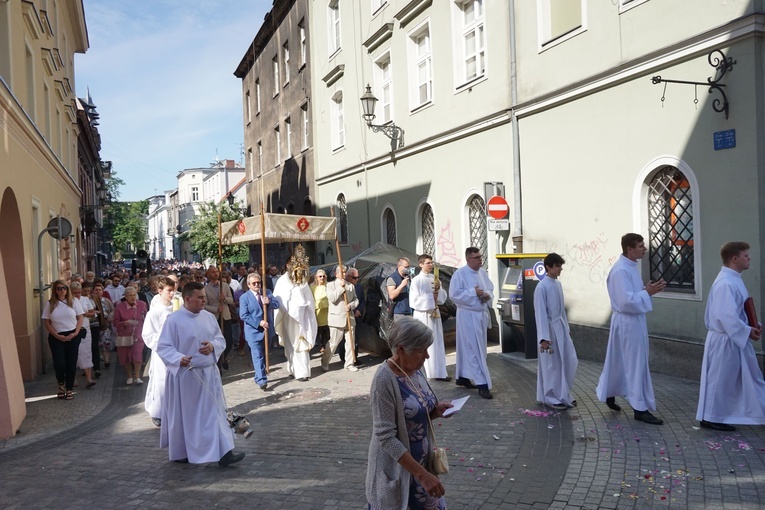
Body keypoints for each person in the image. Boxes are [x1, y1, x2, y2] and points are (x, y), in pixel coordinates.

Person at [366, 317, 453, 509]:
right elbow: (386, 436)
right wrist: (421, 474)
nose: (427, 356)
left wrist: (434, 412)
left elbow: (413, 413)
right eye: (422, 350)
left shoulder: (415, 370)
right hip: (401, 470)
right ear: (402, 350)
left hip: (423, 468)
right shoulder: (384, 380)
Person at [157, 282, 245, 467]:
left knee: (216, 414)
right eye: (200, 297)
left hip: (209, 373)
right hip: (186, 377)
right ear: (187, 299)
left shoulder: (208, 317)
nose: (204, 300)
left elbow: (219, 338)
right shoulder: (174, 320)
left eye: (204, 296)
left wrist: (213, 346)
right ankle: (182, 451)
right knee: (187, 417)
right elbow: (164, 347)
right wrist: (178, 358)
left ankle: (224, 453)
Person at [596, 233, 667, 425]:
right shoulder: (620, 271)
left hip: (632, 321)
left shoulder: (630, 268)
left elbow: (632, 295)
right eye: (640, 246)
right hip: (627, 322)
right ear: (629, 248)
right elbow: (625, 301)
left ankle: (610, 392)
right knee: (636, 364)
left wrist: (647, 290)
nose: (644, 249)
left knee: (619, 361)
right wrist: (647, 292)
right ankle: (639, 408)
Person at [696, 242, 765, 431]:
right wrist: (747, 330)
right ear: (734, 259)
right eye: (745, 255)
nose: (749, 258)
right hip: (724, 339)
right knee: (720, 379)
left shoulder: (734, 279)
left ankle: (721, 414)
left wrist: (753, 324)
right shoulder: (725, 283)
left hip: (733, 338)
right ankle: (711, 416)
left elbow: (740, 310)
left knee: (748, 377)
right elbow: (725, 315)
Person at [533, 253, 578, 410]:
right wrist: (544, 338)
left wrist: (567, 328)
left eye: (561, 266)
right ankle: (551, 397)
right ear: (548, 267)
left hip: (561, 328)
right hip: (550, 331)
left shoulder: (557, 284)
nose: (560, 269)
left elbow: (561, 310)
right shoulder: (542, 287)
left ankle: (563, 393)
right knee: (551, 365)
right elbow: (540, 314)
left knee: (569, 360)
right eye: (557, 266)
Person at [449, 247, 494, 399]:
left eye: (480, 256)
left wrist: (487, 295)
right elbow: (454, 295)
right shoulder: (459, 274)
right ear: (468, 259)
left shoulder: (482, 273)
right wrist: (473, 292)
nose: (480, 259)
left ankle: (462, 376)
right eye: (476, 257)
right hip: (467, 315)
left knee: (473, 348)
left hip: (480, 315)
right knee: (473, 348)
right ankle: (482, 384)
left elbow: (490, 288)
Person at [273, 245, 317, 381]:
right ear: (287, 265)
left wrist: (307, 309)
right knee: (290, 344)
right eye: (292, 264)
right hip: (288, 317)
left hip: (302, 318)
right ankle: (293, 369)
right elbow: (278, 299)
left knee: (301, 343)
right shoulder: (282, 281)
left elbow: (310, 299)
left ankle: (303, 372)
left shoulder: (303, 281)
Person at [42, 280, 85, 400]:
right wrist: (56, 335)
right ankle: (61, 385)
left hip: (72, 335)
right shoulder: (50, 303)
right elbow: (47, 321)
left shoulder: (74, 301)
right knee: (60, 363)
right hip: (56, 336)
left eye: (64, 288)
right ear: (55, 290)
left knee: (71, 363)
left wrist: (76, 332)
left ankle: (69, 388)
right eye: (59, 288)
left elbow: (80, 317)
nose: (62, 290)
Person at [409, 254, 450, 381]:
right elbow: (414, 301)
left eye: (432, 263)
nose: (431, 265)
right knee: (426, 343)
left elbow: (442, 298)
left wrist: (439, 291)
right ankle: (428, 372)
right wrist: (431, 298)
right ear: (421, 264)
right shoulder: (417, 280)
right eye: (428, 263)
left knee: (437, 342)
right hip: (423, 314)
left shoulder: (435, 278)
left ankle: (440, 372)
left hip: (435, 314)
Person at [143, 277, 176, 427]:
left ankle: (175, 410)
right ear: (160, 291)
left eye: (173, 289)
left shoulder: (178, 310)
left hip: (177, 352)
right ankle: (158, 412)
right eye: (169, 290)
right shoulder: (154, 312)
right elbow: (148, 335)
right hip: (162, 353)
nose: (172, 293)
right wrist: (164, 341)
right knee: (161, 382)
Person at [240, 273, 280, 390]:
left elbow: (277, 304)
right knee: (257, 356)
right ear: (248, 285)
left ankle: (258, 376)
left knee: (264, 354)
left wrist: (269, 302)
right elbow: (244, 315)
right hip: (253, 332)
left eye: (258, 282)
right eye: (254, 283)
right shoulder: (245, 298)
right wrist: (259, 322)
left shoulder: (266, 292)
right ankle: (262, 380)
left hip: (267, 331)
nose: (257, 285)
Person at [321, 265, 359, 373]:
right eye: (342, 272)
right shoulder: (330, 285)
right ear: (336, 274)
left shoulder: (351, 286)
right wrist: (340, 287)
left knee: (350, 342)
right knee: (333, 343)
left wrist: (351, 306)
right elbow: (332, 298)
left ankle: (349, 363)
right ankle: (325, 361)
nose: (344, 274)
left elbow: (356, 300)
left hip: (349, 317)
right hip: (336, 318)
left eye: (345, 272)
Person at [113, 287, 148, 386]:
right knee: (125, 357)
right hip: (124, 336)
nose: (133, 298)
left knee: (137, 355)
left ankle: (137, 377)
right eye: (130, 295)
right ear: (126, 297)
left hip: (138, 334)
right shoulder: (119, 307)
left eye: (134, 295)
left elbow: (146, 317)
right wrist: (124, 323)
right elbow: (115, 323)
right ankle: (129, 376)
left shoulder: (142, 304)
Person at [203, 266, 235, 371]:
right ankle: (218, 363)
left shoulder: (225, 286)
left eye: (217, 272)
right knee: (216, 341)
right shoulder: (205, 289)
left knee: (228, 340)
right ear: (208, 274)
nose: (215, 274)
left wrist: (224, 298)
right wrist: (216, 309)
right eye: (213, 272)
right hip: (214, 318)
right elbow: (204, 305)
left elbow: (231, 300)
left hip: (225, 317)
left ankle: (223, 357)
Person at [70, 282, 97, 389]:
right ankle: (72, 377)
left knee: (86, 352)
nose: (78, 295)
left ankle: (88, 378)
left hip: (85, 328)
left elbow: (93, 313)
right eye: (75, 293)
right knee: (74, 353)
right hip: (72, 328)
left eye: (79, 292)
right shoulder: (68, 301)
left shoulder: (85, 300)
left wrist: (83, 314)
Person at [338, 267, 364, 365]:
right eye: (354, 277)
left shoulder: (359, 287)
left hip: (357, 315)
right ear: (348, 277)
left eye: (358, 277)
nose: (356, 280)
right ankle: (344, 356)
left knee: (355, 339)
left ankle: (354, 357)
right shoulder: (343, 286)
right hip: (345, 316)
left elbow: (362, 300)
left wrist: (358, 310)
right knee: (344, 339)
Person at [93, 281, 114, 370]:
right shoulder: (91, 301)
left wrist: (110, 316)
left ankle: (106, 360)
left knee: (106, 343)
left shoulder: (106, 301)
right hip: (94, 325)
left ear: (102, 291)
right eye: (96, 290)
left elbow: (113, 309)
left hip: (105, 325)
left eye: (100, 290)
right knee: (95, 344)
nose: (98, 292)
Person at [311, 269, 330, 353]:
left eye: (323, 276)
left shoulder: (328, 285)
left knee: (327, 329)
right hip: (317, 310)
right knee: (320, 329)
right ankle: (322, 344)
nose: (322, 278)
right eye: (320, 276)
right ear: (316, 277)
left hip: (327, 310)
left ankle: (327, 344)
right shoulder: (312, 286)